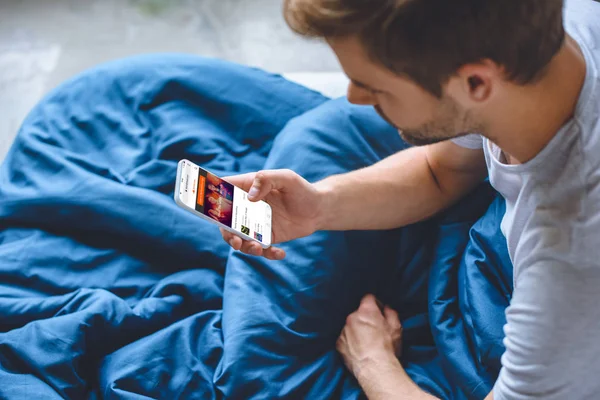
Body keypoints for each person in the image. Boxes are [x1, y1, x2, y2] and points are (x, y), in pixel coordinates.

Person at [220, 0, 600, 398]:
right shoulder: (553, 28)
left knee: (265, 375)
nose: (355, 96)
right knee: (322, 134)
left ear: (475, 84)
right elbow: (442, 171)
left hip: (535, 311)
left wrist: (373, 363)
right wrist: (319, 206)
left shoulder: (571, 262)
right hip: (495, 239)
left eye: (374, 87)